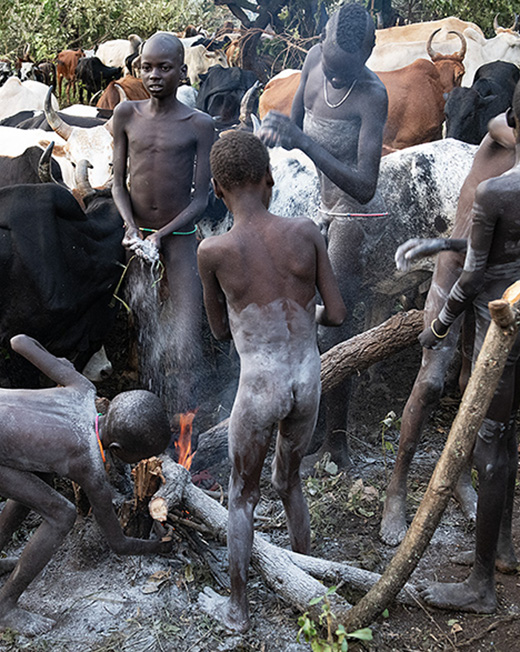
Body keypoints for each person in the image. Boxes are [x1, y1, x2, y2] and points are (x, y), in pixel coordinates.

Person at [380, 58, 520, 547]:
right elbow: (506, 126)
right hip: (460, 269)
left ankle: (459, 477)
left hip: (505, 285)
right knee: (432, 380)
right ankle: (396, 490)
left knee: (480, 387)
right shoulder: (511, 132)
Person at [196, 131, 346, 632]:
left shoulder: (213, 251)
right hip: (307, 379)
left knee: (242, 495)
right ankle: (310, 581)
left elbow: (219, 330)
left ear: (217, 189)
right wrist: (301, 312)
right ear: (270, 179)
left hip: (260, 386)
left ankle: (238, 611)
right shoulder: (307, 231)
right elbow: (339, 312)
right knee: (290, 481)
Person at [0, 334, 172, 636]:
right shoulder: (88, 466)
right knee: (61, 514)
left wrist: (62, 367)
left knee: (42, 478)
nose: (137, 464)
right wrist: (158, 546)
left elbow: (19, 341)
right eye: (139, 458)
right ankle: (1, 610)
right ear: (117, 450)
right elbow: (118, 544)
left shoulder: (84, 388)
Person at [258, 3, 387, 467]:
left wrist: (306, 143)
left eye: (341, 74)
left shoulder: (373, 95)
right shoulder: (314, 58)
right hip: (314, 201)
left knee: (334, 325)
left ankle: (338, 440)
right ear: (323, 37)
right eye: (329, 67)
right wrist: (276, 132)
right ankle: (304, 428)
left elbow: (366, 186)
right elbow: (291, 128)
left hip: (352, 213)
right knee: (295, 315)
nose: (331, 78)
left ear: (368, 53)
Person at [111, 31, 215, 413]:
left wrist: (161, 236)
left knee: (186, 336)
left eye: (164, 67)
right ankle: (147, 416)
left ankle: (185, 419)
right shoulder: (126, 114)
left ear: (182, 72)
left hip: (181, 238)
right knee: (145, 328)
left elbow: (201, 199)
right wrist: (132, 230)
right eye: (147, 67)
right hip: (137, 241)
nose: (154, 75)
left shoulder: (199, 124)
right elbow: (118, 185)